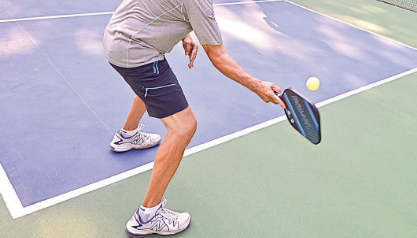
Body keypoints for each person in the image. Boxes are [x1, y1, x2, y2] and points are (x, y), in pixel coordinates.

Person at [103, 0, 286, 237]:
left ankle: (127, 135)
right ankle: (147, 217)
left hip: (118, 36)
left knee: (156, 85)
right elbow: (217, 55)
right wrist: (257, 86)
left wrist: (181, 33)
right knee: (184, 127)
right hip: (136, 51)